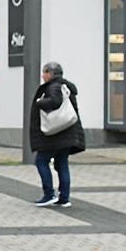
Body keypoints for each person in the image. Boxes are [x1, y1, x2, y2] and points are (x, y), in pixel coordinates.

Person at [29, 61, 85, 207]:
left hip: (55, 134)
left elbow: (54, 101)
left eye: (44, 72)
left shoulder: (54, 86)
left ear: (50, 74)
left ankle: (49, 194)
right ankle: (64, 198)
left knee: (41, 161)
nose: (42, 76)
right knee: (62, 163)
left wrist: (39, 102)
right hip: (67, 133)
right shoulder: (66, 87)